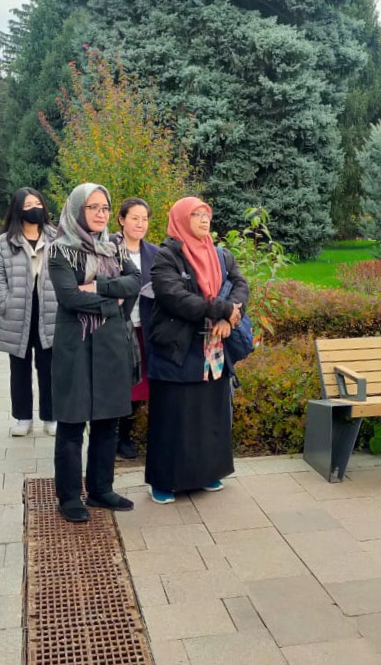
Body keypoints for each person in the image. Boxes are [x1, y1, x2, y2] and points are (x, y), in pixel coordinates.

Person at [144, 197, 249, 504]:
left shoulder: (221, 254)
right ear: (181, 219)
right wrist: (223, 310)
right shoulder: (167, 256)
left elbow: (240, 284)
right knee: (173, 417)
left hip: (213, 350)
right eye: (197, 215)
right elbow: (175, 297)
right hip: (177, 349)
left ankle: (207, 473)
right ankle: (164, 481)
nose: (204, 220)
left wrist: (230, 317)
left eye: (207, 214)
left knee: (209, 415)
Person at [48, 183, 141, 523]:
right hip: (75, 345)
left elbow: (135, 280)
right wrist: (112, 303)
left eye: (105, 208)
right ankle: (70, 496)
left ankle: (101, 489)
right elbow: (70, 297)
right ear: (77, 210)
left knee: (107, 422)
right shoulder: (60, 250)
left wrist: (99, 286)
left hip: (110, 345)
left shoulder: (114, 247)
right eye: (93, 207)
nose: (101, 214)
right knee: (72, 425)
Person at [0, 188, 59, 437]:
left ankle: (51, 416)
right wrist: (4, 302)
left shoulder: (56, 237)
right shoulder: (5, 242)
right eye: (28, 204)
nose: (34, 208)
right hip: (17, 312)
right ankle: (23, 417)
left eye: (37, 203)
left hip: (49, 311)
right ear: (18, 209)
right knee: (19, 368)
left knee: (49, 367)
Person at [111, 198, 159, 459]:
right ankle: (110, 434)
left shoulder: (155, 253)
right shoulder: (108, 249)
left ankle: (126, 436)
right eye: (135, 218)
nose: (141, 224)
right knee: (116, 382)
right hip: (116, 326)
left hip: (144, 326)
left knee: (139, 385)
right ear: (121, 220)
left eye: (145, 219)